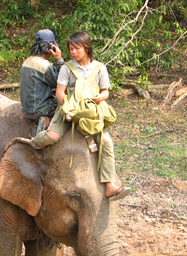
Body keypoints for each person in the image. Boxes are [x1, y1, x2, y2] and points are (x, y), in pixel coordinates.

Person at [30, 31, 131, 201]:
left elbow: (106, 91)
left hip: (91, 112)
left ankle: (109, 185)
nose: (73, 52)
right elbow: (60, 93)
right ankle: (32, 142)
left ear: (86, 47)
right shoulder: (66, 68)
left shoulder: (100, 68)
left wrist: (101, 97)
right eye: (71, 49)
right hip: (70, 109)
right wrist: (68, 108)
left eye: (77, 48)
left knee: (106, 142)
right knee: (53, 136)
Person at [20, 29, 64, 132]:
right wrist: (59, 59)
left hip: (27, 108)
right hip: (40, 109)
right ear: (50, 47)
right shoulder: (44, 66)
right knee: (66, 104)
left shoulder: (27, 61)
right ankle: (45, 121)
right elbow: (62, 82)